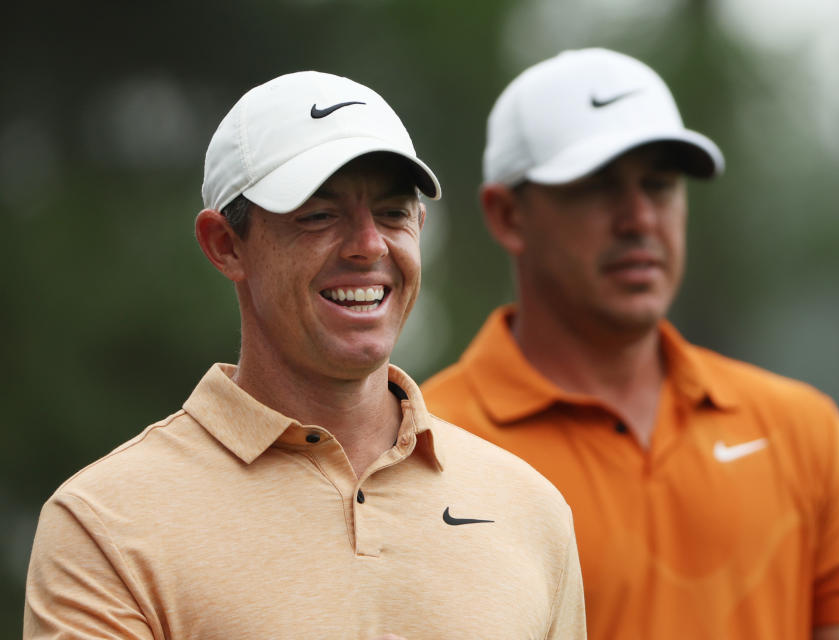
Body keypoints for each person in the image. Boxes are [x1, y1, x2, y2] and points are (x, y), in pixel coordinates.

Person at [23, 71, 586, 639]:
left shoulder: (531, 510)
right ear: (225, 244)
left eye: (392, 213)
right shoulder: (104, 523)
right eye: (318, 216)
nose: (369, 245)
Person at [422, 48, 839, 640]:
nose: (639, 219)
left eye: (660, 185)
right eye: (598, 187)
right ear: (507, 217)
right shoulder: (424, 449)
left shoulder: (804, 431)